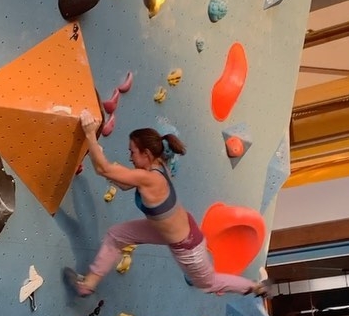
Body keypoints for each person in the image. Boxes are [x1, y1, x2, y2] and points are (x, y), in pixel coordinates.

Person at [64, 109, 271, 298]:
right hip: (167, 228)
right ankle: (88, 284)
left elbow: (104, 170)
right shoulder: (157, 165)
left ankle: (254, 286)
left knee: (208, 283)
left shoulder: (150, 179)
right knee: (116, 235)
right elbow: (124, 184)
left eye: (132, 152)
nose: (130, 157)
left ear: (146, 154)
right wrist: (96, 152)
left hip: (188, 246)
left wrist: (90, 134)